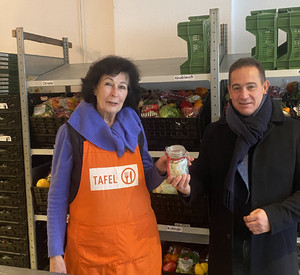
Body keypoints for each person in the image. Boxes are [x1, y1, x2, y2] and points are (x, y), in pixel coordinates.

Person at [47, 55, 191, 275]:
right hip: (92, 259)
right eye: (108, 84)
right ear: (94, 88)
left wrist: (160, 168)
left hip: (139, 253)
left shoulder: (134, 127)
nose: (115, 93)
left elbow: (145, 183)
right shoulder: (71, 134)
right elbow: (56, 198)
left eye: (122, 86)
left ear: (128, 93)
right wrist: (55, 254)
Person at [172, 57, 300, 275]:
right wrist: (188, 187)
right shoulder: (216, 132)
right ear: (229, 91)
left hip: (274, 250)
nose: (244, 95)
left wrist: (274, 216)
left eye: (251, 87)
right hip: (227, 249)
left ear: (265, 87)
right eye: (237, 88)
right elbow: (203, 176)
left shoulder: (292, 132)